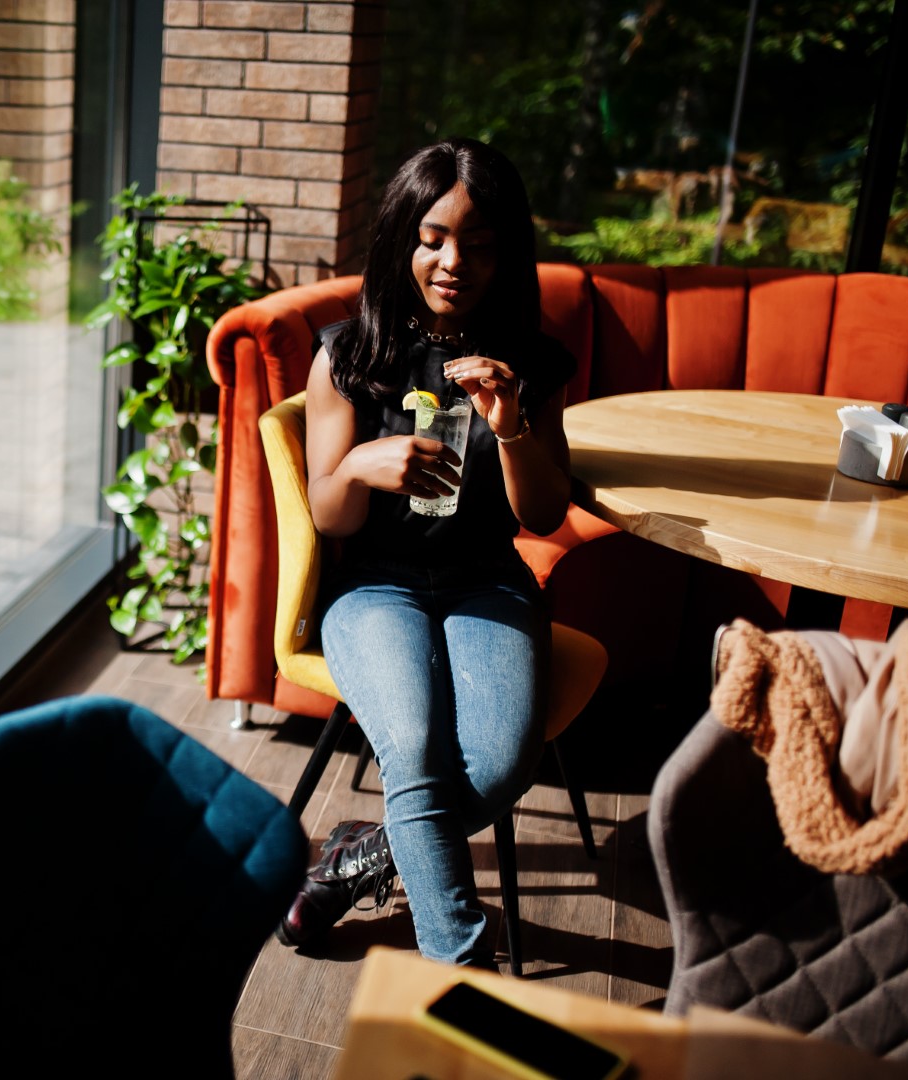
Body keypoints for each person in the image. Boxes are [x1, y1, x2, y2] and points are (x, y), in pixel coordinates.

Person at [273, 137, 575, 969]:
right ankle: (463, 973)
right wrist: (358, 467)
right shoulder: (350, 355)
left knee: (501, 763)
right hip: (375, 588)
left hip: (487, 584)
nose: (452, 262)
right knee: (409, 744)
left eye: (478, 246)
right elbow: (331, 521)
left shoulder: (533, 363)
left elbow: (542, 514)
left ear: (506, 253)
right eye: (433, 237)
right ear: (401, 236)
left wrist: (510, 422)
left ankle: (355, 856)